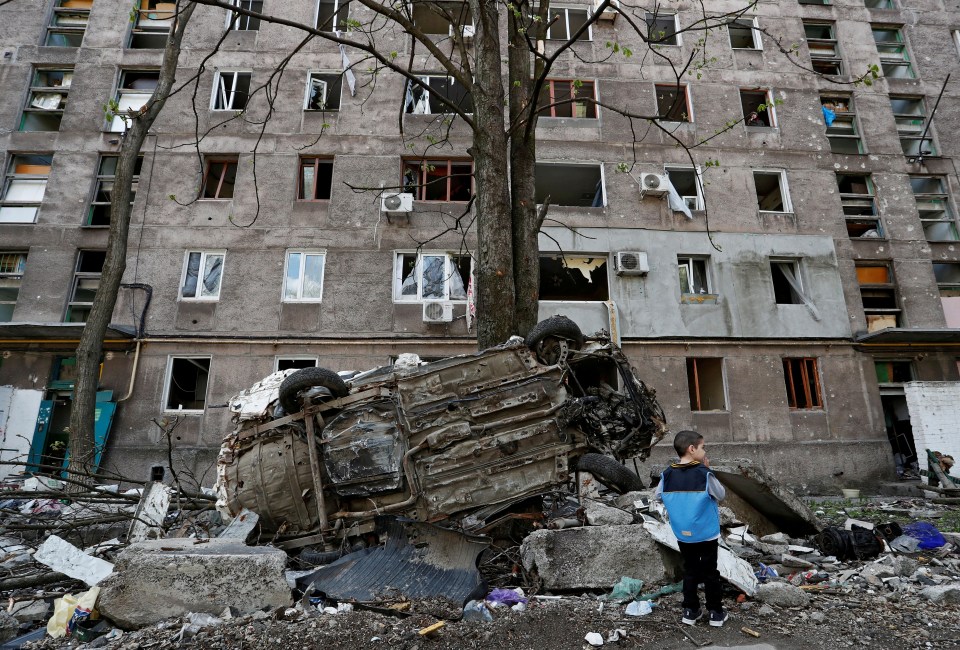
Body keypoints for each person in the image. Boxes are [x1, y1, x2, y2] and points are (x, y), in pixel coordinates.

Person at [653, 430, 728, 627]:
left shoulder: (667, 474)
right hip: (706, 532)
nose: (704, 451)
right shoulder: (704, 473)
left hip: (682, 533)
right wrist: (708, 471)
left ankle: (690, 611)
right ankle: (716, 613)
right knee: (710, 571)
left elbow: (658, 496)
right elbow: (720, 495)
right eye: (703, 447)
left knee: (690, 570)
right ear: (692, 449)